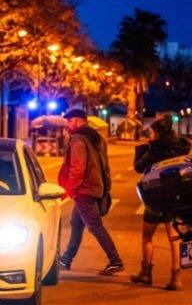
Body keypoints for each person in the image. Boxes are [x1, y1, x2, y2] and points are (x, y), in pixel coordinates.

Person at [57, 109, 124, 275]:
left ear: (79, 120)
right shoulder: (97, 138)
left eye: (70, 121)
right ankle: (66, 259)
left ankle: (115, 261)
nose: (68, 125)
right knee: (76, 224)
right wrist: (105, 188)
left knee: (95, 227)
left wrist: (70, 190)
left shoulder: (78, 140)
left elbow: (77, 167)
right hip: (94, 187)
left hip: (84, 190)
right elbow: (105, 167)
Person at [130, 114, 190, 290]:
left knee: (147, 236)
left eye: (151, 132)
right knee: (174, 238)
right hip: (178, 198)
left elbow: (138, 167)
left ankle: (146, 273)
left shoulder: (154, 149)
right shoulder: (180, 146)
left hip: (157, 198)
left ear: (156, 132)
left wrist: (142, 148)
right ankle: (176, 278)